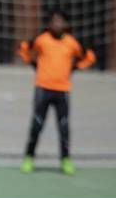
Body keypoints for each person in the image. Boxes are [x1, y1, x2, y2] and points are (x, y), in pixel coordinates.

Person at [18, 9, 96, 175]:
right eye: (54, 21)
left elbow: (89, 56)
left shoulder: (72, 43)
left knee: (64, 127)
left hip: (62, 90)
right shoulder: (42, 39)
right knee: (37, 125)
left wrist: (75, 67)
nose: (57, 24)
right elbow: (23, 48)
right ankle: (29, 157)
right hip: (43, 88)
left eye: (60, 21)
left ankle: (65, 159)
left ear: (66, 24)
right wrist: (33, 64)